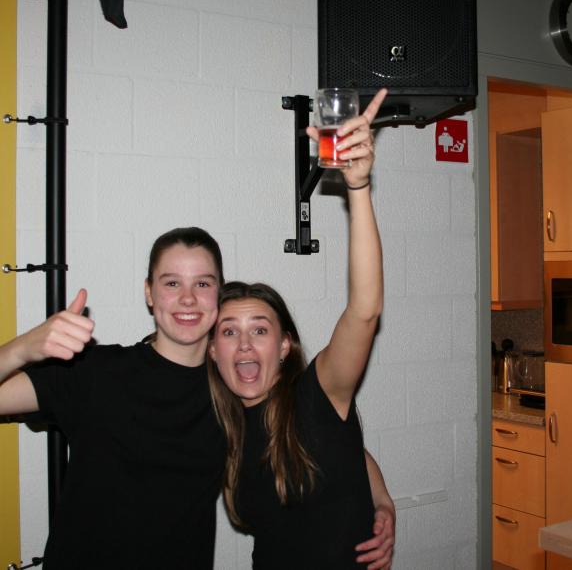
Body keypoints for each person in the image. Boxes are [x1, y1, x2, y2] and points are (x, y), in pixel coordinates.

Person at [0, 225, 394, 568]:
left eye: (202, 284)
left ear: (217, 295)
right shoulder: (94, 372)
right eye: (172, 283)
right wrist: (22, 350)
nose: (188, 298)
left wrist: (381, 501)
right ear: (149, 293)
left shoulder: (231, 392)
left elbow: (326, 437)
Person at [208, 89, 392, 569]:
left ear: (286, 344)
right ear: (211, 350)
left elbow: (364, 310)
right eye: (228, 332)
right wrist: (382, 498)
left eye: (259, 330)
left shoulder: (318, 394)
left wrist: (358, 188)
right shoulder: (218, 421)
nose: (244, 344)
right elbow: (350, 452)